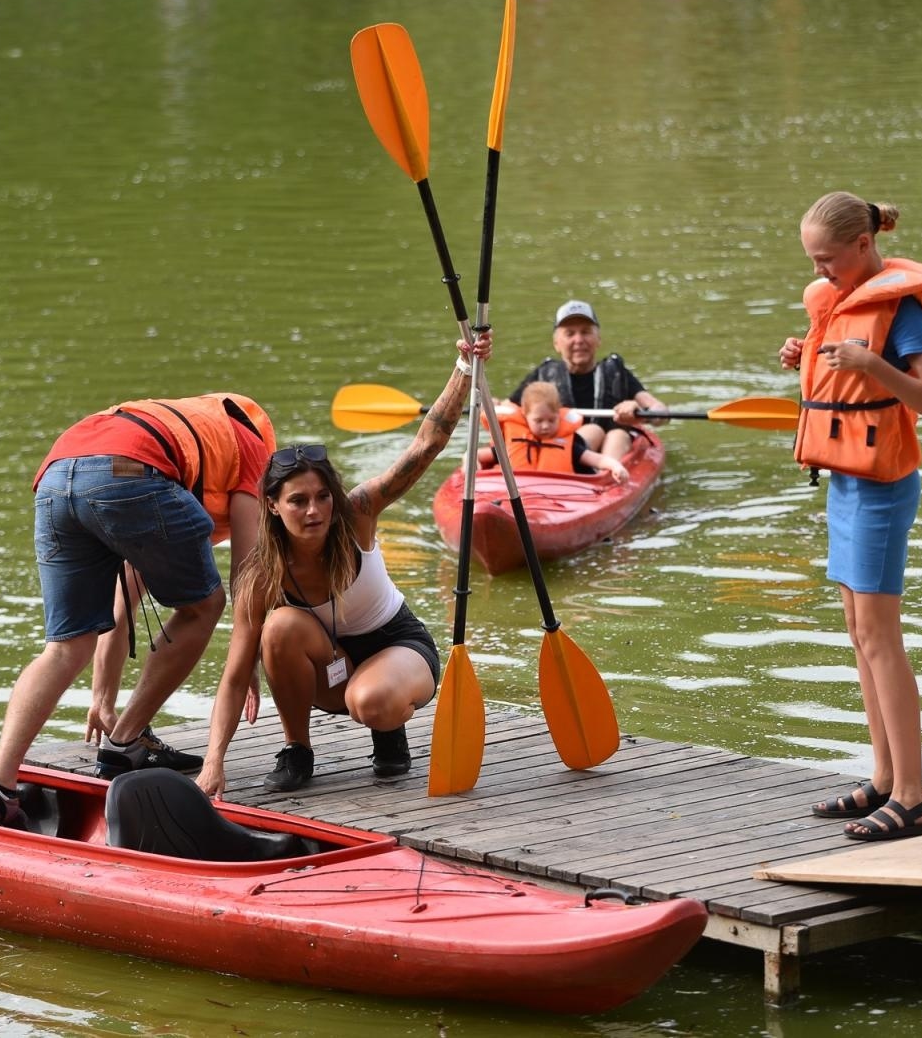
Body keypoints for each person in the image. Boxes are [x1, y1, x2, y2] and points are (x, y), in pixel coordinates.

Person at [195, 331, 492, 797]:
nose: (314, 511)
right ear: (272, 506)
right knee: (278, 628)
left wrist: (465, 369)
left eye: (321, 497)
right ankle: (297, 750)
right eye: (298, 501)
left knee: (369, 700)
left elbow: (426, 445)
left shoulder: (356, 515)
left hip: (398, 647)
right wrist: (213, 765)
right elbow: (235, 676)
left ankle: (388, 729)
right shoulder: (260, 573)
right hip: (330, 664)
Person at [0, 393, 274, 827]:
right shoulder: (251, 444)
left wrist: (102, 698)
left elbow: (125, 593)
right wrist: (249, 661)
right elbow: (249, 572)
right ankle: (126, 742)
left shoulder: (182, 432)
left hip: (58, 472)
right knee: (205, 605)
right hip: (127, 472)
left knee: (63, 647)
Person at [779, 191, 922, 843]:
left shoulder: (900, 307)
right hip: (845, 480)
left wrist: (871, 364)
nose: (821, 272)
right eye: (812, 262)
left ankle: (913, 798)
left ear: (861, 245)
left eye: (827, 260)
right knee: (858, 630)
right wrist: (810, 356)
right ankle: (883, 780)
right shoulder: (839, 300)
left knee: (882, 637)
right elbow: (844, 382)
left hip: (883, 488)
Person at [510, 299, 666, 460]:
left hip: (610, 453)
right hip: (559, 452)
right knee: (591, 431)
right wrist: (492, 405)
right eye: (570, 334)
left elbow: (660, 411)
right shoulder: (542, 376)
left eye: (585, 332)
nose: (578, 340)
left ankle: (606, 476)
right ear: (556, 343)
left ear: (598, 339)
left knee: (617, 435)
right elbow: (509, 410)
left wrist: (640, 412)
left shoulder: (616, 372)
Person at [480, 381, 630, 482]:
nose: (546, 426)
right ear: (525, 414)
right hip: (517, 491)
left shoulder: (570, 445)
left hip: (556, 493)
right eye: (539, 421)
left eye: (552, 420)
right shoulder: (509, 442)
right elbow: (476, 455)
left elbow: (597, 460)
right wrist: (471, 466)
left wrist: (615, 466)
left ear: (559, 413)